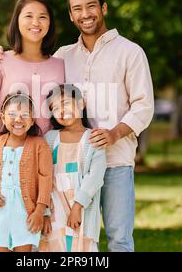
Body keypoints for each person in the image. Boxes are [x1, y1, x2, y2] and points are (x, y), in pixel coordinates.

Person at [0, 0, 154, 252]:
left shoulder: (130, 52)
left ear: (104, 8)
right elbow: (40, 90)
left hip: (115, 161)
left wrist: (114, 133)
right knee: (62, 239)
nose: (85, 14)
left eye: (91, 6)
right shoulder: (63, 57)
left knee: (119, 239)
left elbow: (144, 106)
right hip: (68, 167)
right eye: (77, 9)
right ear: (71, 15)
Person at [0, 0, 65, 198]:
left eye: (43, 17)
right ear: (17, 21)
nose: (36, 22)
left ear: (50, 23)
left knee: (47, 226)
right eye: (29, 16)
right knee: (4, 223)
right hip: (6, 157)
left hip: (50, 157)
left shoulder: (61, 64)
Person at [0, 92, 53, 252]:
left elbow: (46, 179)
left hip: (25, 211)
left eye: (24, 115)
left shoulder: (39, 144)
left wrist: (40, 211)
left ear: (32, 120)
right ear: (3, 117)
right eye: (12, 114)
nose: (18, 119)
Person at [39, 84, 106, 252]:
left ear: (81, 104)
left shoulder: (93, 138)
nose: (62, 111)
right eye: (55, 108)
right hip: (55, 210)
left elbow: (95, 177)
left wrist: (78, 206)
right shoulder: (50, 138)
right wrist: (45, 213)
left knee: (80, 248)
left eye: (66, 103)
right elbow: (43, 176)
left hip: (82, 207)